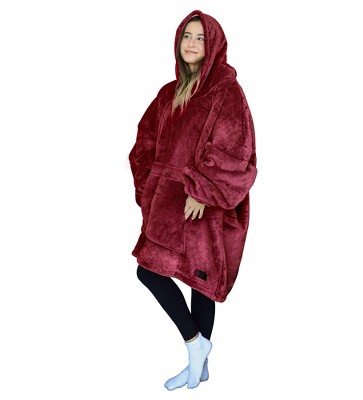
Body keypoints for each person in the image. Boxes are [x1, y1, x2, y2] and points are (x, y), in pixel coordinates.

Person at [128, 10, 257, 390]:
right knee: (149, 270)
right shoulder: (168, 93)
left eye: (201, 37)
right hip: (166, 202)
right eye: (187, 35)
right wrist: (148, 187)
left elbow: (236, 146)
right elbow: (145, 141)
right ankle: (198, 350)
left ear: (213, 44)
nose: (192, 43)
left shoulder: (225, 90)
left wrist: (203, 188)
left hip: (200, 206)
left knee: (200, 282)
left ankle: (196, 357)